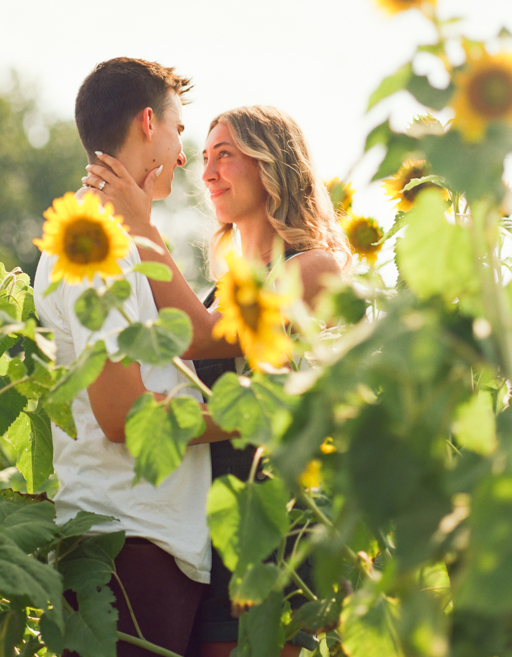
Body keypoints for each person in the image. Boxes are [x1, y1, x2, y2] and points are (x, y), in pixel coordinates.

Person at [82, 104, 350, 657]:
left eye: (225, 155)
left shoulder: (314, 268)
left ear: (272, 163)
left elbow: (204, 340)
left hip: (274, 529)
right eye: (205, 158)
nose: (207, 173)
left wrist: (141, 227)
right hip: (209, 531)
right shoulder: (215, 289)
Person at [34, 58, 235, 657]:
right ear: (148, 122)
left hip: (142, 538)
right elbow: (123, 414)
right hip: (128, 538)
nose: (182, 154)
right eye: (178, 130)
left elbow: (195, 337)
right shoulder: (97, 243)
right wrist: (245, 417)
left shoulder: (117, 236)